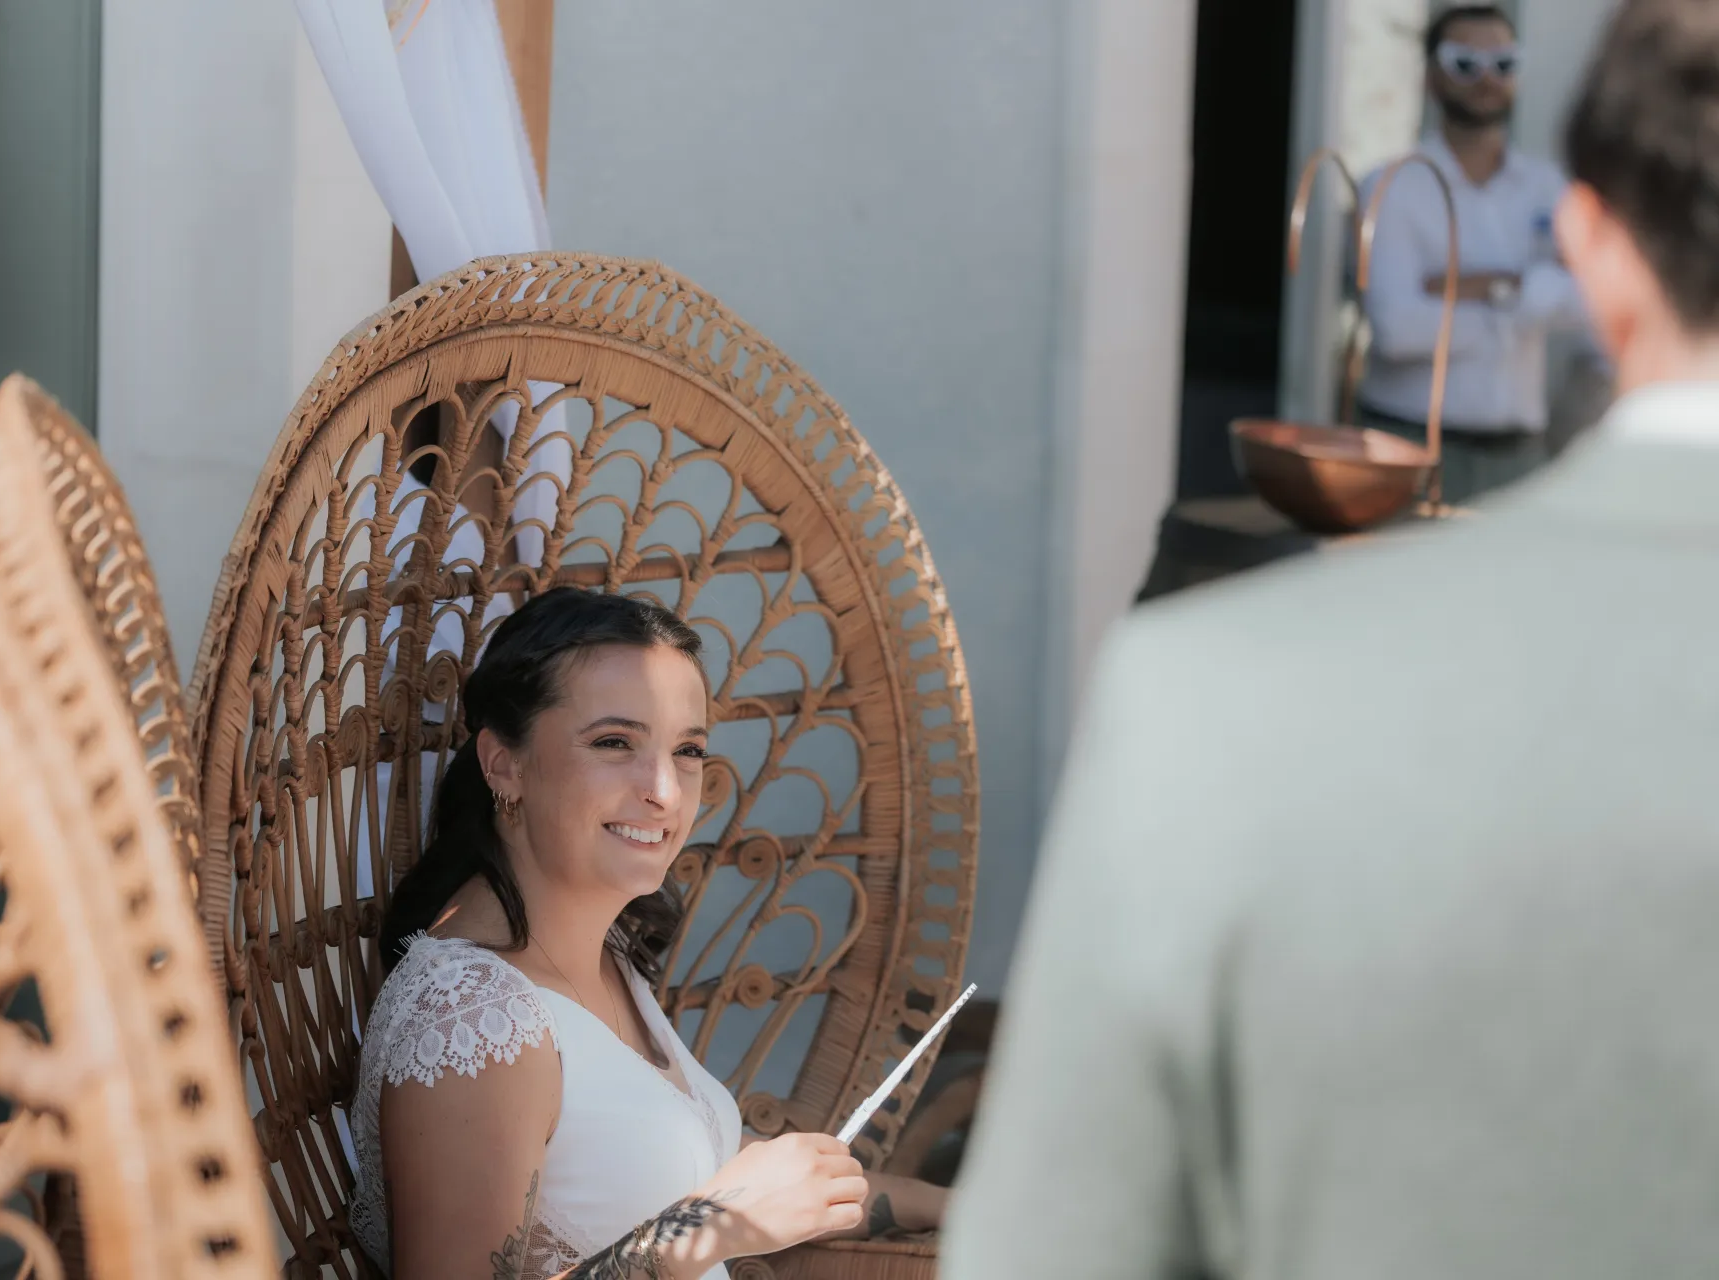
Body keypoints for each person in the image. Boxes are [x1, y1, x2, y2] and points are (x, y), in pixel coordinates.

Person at [943, 1, 1719, 1275]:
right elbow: (1408, 326)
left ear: (1601, 248)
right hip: (1433, 427)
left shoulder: (1214, 696)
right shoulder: (1412, 188)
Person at [348, 587, 947, 1278]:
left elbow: (661, 1164)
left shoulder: (598, 953)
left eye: (687, 750)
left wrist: (949, 1202)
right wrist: (713, 1226)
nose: (664, 789)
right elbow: (706, 1208)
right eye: (614, 743)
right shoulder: (472, 1019)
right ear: (504, 763)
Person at [1356, 3, 1595, 505]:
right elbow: (1397, 331)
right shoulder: (1392, 186)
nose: (1487, 78)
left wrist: (1486, 288)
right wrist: (1525, 304)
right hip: (1405, 443)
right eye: (1466, 63)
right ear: (1431, 77)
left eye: (1504, 63)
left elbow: (1591, 303)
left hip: (1518, 455)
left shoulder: (1547, 187)